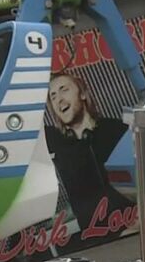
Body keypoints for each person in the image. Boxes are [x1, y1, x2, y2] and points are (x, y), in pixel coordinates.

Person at [44, 73, 132, 229]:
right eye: (53, 96)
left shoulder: (117, 130)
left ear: (83, 94)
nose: (59, 99)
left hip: (133, 230)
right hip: (95, 239)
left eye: (64, 90)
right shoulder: (54, 142)